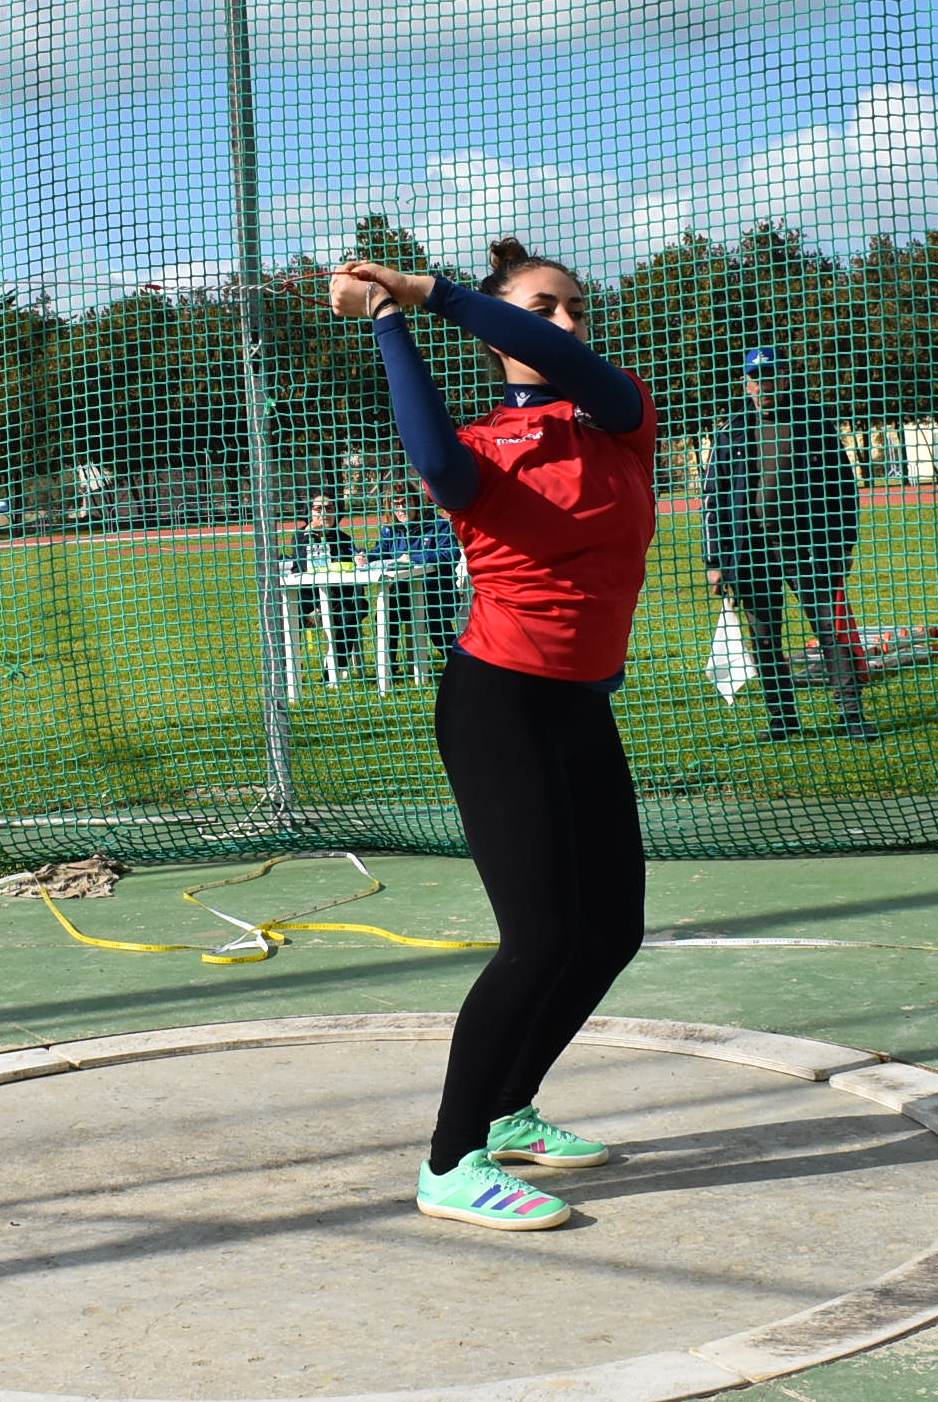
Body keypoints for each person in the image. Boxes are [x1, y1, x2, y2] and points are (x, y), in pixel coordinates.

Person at [329, 238, 657, 1231]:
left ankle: (511, 1107)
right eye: (542, 307)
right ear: (500, 330)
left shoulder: (620, 417)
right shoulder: (476, 448)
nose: (564, 322)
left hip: (578, 701)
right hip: (497, 701)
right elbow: (429, 458)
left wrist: (423, 289)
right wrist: (389, 317)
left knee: (611, 931)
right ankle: (448, 1162)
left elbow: (562, 358)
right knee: (541, 937)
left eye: (575, 306)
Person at [703, 346, 878, 742]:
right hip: (752, 552)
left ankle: (852, 715)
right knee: (765, 640)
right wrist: (715, 561)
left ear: (784, 378)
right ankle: (782, 720)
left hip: (809, 548)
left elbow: (843, 488)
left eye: (770, 377)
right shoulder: (732, 430)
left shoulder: (814, 422)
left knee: (831, 630)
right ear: (745, 383)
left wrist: (843, 546)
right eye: (755, 378)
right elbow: (714, 498)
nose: (763, 385)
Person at [357, 489, 460, 678]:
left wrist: (415, 557)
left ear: (417, 503)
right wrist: (367, 557)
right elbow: (380, 551)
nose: (401, 509)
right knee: (385, 614)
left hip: (436, 592)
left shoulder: (439, 525)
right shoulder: (390, 530)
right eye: (396, 505)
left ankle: (459, 665)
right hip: (403, 593)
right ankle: (389, 668)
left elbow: (451, 554)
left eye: (406, 502)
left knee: (434, 622)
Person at [289, 493, 368, 682]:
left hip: (337, 600)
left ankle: (333, 670)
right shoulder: (300, 537)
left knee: (355, 609)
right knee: (282, 615)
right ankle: (290, 671)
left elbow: (354, 567)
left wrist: (360, 559)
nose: (324, 513)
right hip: (306, 600)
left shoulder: (344, 539)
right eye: (318, 509)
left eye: (329, 508)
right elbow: (304, 567)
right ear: (309, 512)